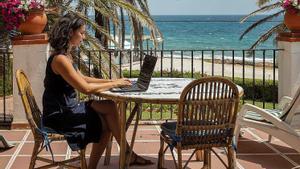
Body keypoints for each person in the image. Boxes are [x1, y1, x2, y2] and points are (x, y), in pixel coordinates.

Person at [42, 13, 153, 169]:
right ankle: (122, 155)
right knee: (105, 124)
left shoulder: (66, 56)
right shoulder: (60, 60)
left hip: (68, 107)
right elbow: (85, 88)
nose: (84, 37)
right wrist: (114, 83)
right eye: (81, 33)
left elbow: (84, 78)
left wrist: (114, 81)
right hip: (59, 115)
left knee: (109, 105)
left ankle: (125, 154)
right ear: (69, 32)